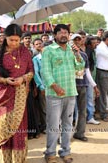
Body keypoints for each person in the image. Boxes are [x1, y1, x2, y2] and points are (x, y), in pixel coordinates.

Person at [0, 24, 33, 163]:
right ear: (5, 38)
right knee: (4, 127)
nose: (14, 43)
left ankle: (18, 160)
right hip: (1, 96)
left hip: (19, 95)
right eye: (11, 40)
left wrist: (23, 78)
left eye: (17, 40)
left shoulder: (24, 51)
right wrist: (4, 80)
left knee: (18, 128)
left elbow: (31, 72)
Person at [42, 24, 84, 163]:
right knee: (53, 125)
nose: (63, 35)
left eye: (66, 32)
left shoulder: (72, 50)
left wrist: (77, 53)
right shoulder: (48, 50)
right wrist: (54, 86)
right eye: (60, 32)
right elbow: (45, 72)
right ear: (54, 36)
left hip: (71, 92)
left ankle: (65, 152)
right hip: (54, 94)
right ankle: (50, 154)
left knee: (67, 124)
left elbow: (80, 67)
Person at [71, 34, 99, 142]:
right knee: (68, 113)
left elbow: (87, 72)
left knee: (82, 111)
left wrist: (94, 86)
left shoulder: (84, 55)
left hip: (82, 86)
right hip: (70, 87)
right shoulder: (66, 54)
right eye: (75, 39)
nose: (77, 41)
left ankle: (80, 133)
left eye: (79, 39)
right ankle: (64, 136)